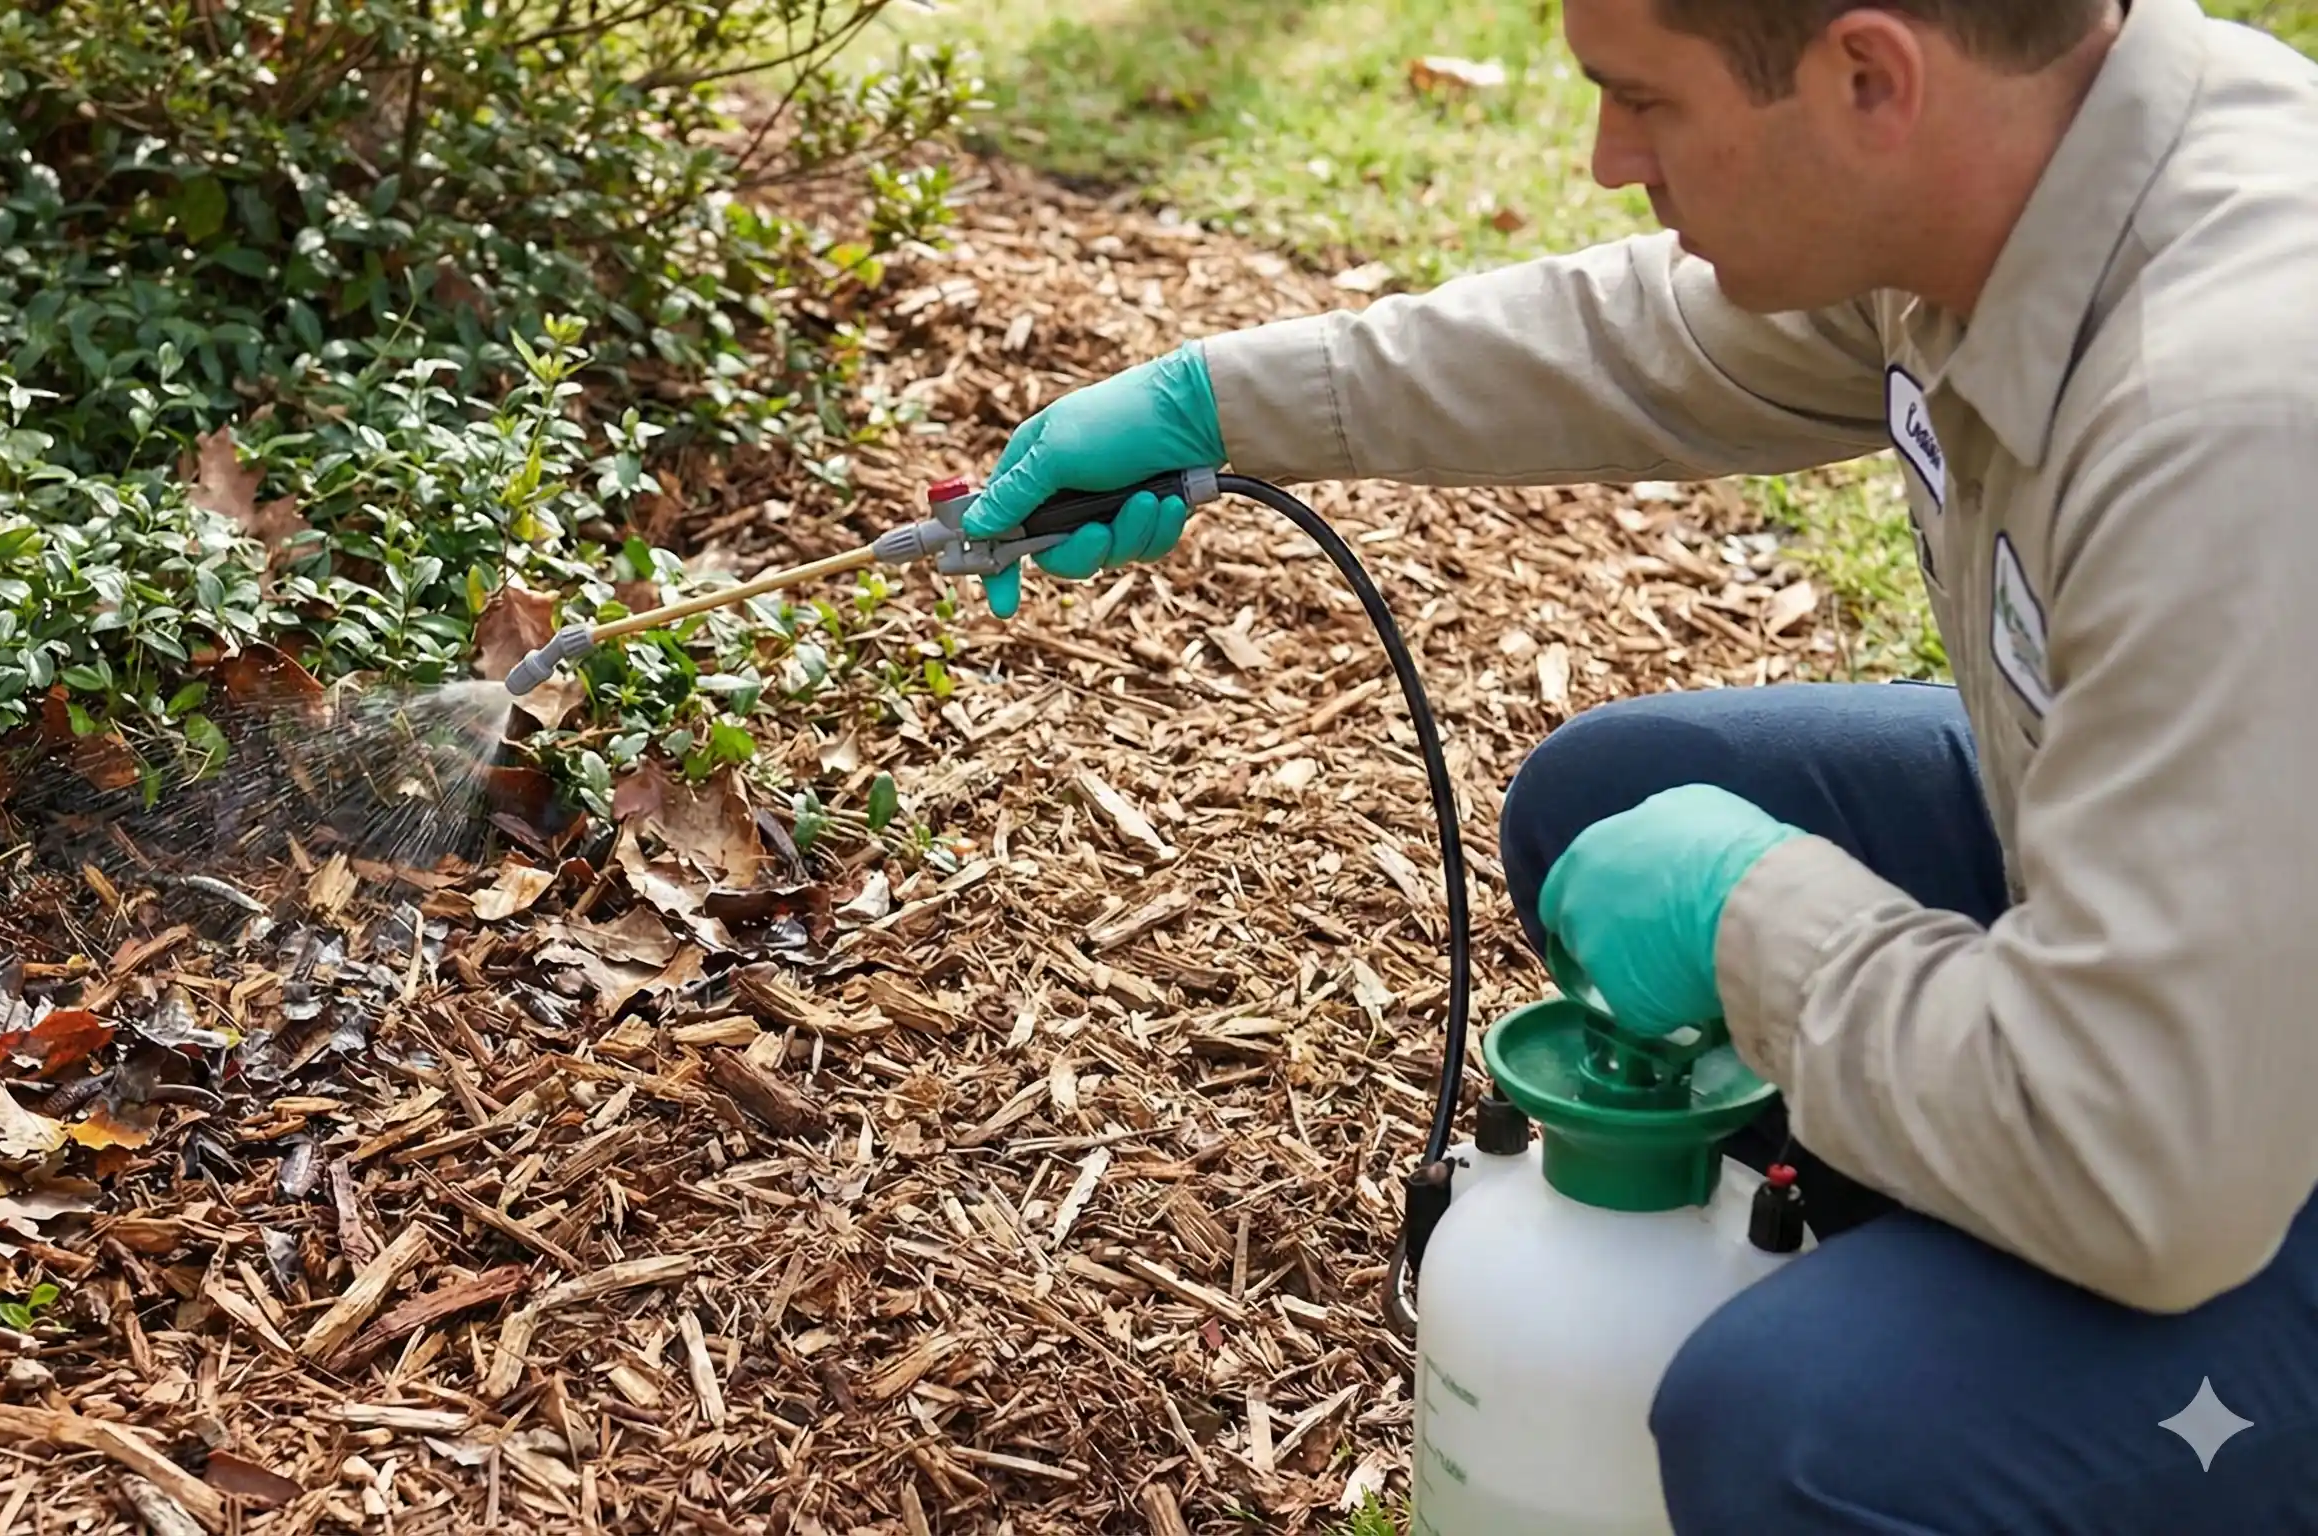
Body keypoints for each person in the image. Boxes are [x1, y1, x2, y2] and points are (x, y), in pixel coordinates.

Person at [956, 0, 2318, 1526]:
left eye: (1644, 102)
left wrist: (1758, 920)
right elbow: (1647, 342)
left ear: (1869, 76)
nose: (1610, 163)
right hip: (2216, 927)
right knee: (1609, 798)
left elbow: (2161, 1159)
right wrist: (1218, 406)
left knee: (1804, 1430)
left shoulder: (2228, 417)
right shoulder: (2019, 181)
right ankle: (1952, 1269)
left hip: (2231, 1126)